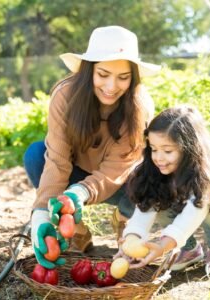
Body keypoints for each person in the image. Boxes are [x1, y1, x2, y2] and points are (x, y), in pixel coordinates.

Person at [23, 25, 160, 269]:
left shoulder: (139, 106)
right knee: (35, 155)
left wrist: (80, 193)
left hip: (120, 182)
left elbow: (119, 166)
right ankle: (75, 228)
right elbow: (57, 159)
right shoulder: (65, 96)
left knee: (150, 171)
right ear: (89, 70)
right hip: (75, 171)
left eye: (123, 77)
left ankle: (126, 219)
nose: (111, 86)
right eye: (103, 74)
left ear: (133, 77)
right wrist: (42, 212)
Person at [116, 105, 210, 275]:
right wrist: (132, 239)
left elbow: (192, 214)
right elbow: (144, 211)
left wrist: (162, 246)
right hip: (185, 206)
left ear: (189, 149)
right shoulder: (154, 171)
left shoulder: (204, 175)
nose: (158, 157)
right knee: (159, 203)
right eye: (153, 149)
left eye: (167, 151)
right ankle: (191, 250)